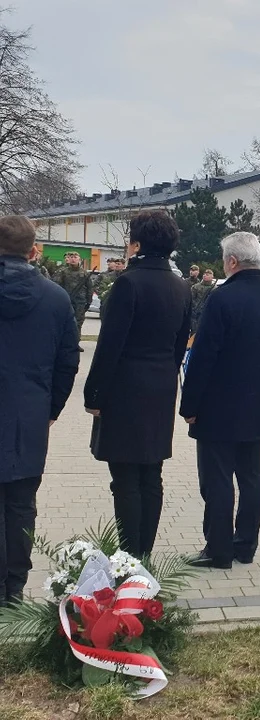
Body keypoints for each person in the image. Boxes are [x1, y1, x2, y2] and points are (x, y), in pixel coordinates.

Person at [84, 210, 192, 557]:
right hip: (161, 386)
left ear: (137, 243)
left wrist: (94, 393)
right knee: (151, 474)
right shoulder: (181, 286)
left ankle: (129, 557)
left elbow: (109, 346)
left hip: (126, 387)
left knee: (125, 478)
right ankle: (143, 553)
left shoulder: (128, 283)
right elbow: (180, 345)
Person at [179, 232, 260, 569]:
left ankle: (218, 548)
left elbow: (203, 357)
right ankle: (246, 545)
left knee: (216, 479)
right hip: (256, 402)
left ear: (231, 261)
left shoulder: (222, 298)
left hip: (217, 405)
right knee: (251, 477)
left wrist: (189, 405)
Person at [0, 215, 80, 605]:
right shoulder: (56, 298)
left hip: (27, 409)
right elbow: (68, 361)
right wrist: (51, 407)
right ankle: (14, 583)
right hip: (29, 414)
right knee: (20, 502)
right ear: (34, 250)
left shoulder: (57, 296)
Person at [53, 251, 93, 349]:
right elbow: (57, 286)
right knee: (64, 322)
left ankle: (75, 343)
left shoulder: (84, 273)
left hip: (80, 302)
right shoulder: (63, 272)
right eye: (71, 257)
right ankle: (63, 343)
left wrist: (89, 301)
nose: (73, 259)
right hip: (67, 301)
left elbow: (89, 288)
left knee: (78, 323)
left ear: (79, 259)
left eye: (75, 257)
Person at [190, 268, 217, 335]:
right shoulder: (195, 287)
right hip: (196, 314)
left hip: (208, 315)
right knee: (194, 333)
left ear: (212, 277)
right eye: (204, 274)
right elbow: (191, 300)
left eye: (207, 275)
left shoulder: (215, 289)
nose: (205, 275)